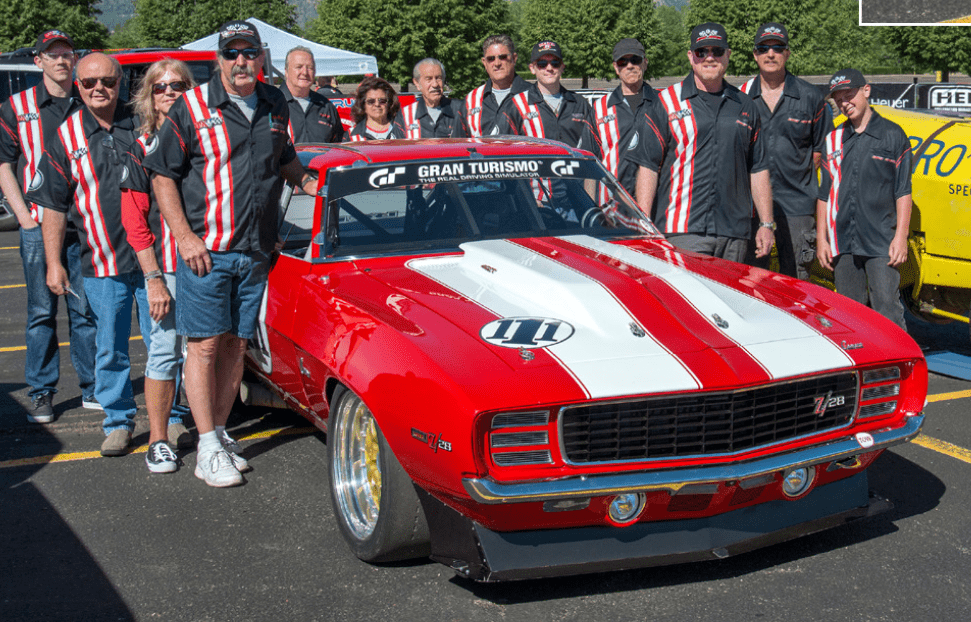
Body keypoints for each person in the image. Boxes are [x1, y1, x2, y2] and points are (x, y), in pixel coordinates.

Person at [141, 21, 319, 487]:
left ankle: (218, 433)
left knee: (236, 344)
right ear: (219, 59)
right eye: (231, 53)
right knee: (202, 347)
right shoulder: (192, 106)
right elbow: (162, 175)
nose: (241, 62)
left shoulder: (274, 101)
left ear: (261, 57)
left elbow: (285, 160)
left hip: (256, 250)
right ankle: (205, 447)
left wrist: (312, 186)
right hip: (207, 251)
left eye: (249, 53)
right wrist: (184, 237)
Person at [27, 53, 148, 456]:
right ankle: (117, 422)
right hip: (101, 262)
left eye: (108, 81)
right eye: (90, 81)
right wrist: (54, 261)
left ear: (121, 83)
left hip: (155, 263)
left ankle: (177, 416)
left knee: (164, 345)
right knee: (109, 348)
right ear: (77, 86)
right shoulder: (65, 137)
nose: (100, 88)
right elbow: (54, 205)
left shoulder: (145, 125)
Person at [0, 30, 97, 424]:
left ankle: (93, 388)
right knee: (42, 312)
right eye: (52, 55)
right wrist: (23, 217)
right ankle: (42, 392)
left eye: (66, 55)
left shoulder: (88, 102)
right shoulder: (16, 106)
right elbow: (3, 163)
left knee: (85, 312)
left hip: (84, 227)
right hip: (38, 227)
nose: (61, 61)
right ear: (37, 61)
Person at [628, 23, 774, 263]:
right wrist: (643, 223)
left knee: (729, 300)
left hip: (734, 232)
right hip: (682, 230)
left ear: (728, 55)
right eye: (701, 52)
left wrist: (767, 223)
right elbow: (648, 167)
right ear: (690, 57)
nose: (709, 58)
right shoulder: (665, 103)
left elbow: (757, 169)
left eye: (717, 51)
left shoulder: (746, 106)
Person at [121, 59, 199, 471]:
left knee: (208, 351)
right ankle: (159, 439)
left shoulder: (208, 136)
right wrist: (153, 278)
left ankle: (211, 435)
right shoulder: (140, 147)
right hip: (167, 267)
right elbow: (134, 222)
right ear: (148, 95)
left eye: (179, 85)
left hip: (208, 262)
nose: (170, 92)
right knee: (165, 352)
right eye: (160, 87)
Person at [817, 69, 912, 330]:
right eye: (839, 99)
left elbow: (903, 191)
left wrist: (900, 237)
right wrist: (822, 240)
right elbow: (824, 194)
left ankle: (899, 367)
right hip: (842, 242)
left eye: (850, 95)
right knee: (848, 315)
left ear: (866, 91)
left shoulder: (893, 135)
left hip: (881, 240)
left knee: (887, 310)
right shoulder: (833, 139)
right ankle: (856, 368)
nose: (845, 103)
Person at [739, 23, 827, 279]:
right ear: (755, 54)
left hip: (797, 206)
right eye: (763, 48)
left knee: (797, 280)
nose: (770, 54)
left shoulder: (810, 97)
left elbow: (820, 153)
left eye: (778, 48)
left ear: (787, 53)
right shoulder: (740, 96)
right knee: (752, 279)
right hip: (751, 207)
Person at [499, 41, 601, 158]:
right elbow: (503, 149)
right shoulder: (516, 104)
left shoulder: (579, 103)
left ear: (562, 67)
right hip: (535, 175)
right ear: (532, 68)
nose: (549, 68)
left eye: (555, 63)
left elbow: (596, 147)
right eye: (542, 64)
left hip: (575, 174)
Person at [594, 38, 658, 200]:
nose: (629, 66)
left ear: (645, 63)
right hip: (611, 204)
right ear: (616, 67)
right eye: (623, 61)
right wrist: (592, 209)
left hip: (655, 203)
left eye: (635, 60)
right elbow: (590, 157)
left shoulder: (663, 104)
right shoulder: (600, 108)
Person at [462, 35, 530, 137]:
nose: (497, 63)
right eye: (491, 59)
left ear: (514, 58)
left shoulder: (535, 95)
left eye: (502, 57)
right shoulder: (471, 100)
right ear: (484, 63)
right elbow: (458, 144)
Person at [280, 46, 344, 144]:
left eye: (310, 68)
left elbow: (338, 147)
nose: (305, 72)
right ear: (286, 71)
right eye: (299, 67)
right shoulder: (271, 104)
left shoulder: (326, 106)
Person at [394, 58, 468, 138]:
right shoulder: (404, 116)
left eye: (438, 78)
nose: (435, 84)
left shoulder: (461, 110)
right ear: (417, 83)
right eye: (428, 79)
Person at [346, 76, 404, 141]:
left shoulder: (402, 130)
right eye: (371, 101)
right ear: (363, 104)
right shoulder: (351, 136)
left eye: (382, 101)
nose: (377, 104)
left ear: (390, 103)